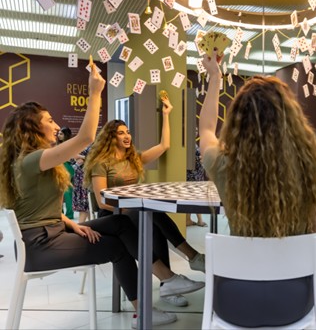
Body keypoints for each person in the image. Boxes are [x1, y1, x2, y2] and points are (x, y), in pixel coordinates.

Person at [0, 65, 182, 327]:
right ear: (32, 128)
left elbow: (39, 209)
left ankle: (168, 279)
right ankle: (145, 309)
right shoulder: (32, 160)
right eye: (49, 121)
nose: (55, 126)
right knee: (117, 247)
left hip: (51, 232)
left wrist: (73, 225)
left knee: (120, 223)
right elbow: (86, 137)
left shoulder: (30, 161)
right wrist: (95, 91)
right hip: (40, 245)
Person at [199, 52, 316, 327]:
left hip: (235, 301)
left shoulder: (222, 164)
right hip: (293, 302)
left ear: (237, 121)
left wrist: (215, 77)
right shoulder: (313, 171)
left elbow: (206, 129)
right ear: (292, 121)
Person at [83, 103, 205, 308]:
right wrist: (128, 208)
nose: (126, 136)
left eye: (128, 132)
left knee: (152, 221)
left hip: (134, 213)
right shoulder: (101, 163)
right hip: (112, 215)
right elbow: (102, 201)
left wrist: (166, 114)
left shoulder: (134, 159)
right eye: (121, 133)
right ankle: (191, 259)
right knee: (148, 213)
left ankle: (169, 284)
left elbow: (164, 145)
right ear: (110, 138)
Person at [186, 143, 207, 227]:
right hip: (194, 175)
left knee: (191, 197)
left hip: (194, 174)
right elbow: (191, 158)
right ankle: (200, 220)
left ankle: (188, 219)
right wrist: (201, 158)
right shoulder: (190, 144)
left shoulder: (191, 143)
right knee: (196, 197)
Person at [57, 126, 75, 220]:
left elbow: (71, 157)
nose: (58, 135)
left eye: (61, 134)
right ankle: (64, 213)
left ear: (66, 135)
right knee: (64, 191)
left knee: (66, 192)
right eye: (58, 133)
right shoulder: (63, 144)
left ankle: (68, 214)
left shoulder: (67, 144)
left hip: (66, 167)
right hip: (62, 166)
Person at [72, 145, 91, 223]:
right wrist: (75, 158)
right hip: (78, 178)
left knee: (85, 204)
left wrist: (80, 157)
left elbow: (94, 158)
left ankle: (80, 225)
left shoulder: (93, 145)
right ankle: (90, 223)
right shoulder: (79, 145)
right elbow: (71, 159)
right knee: (85, 205)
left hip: (86, 177)